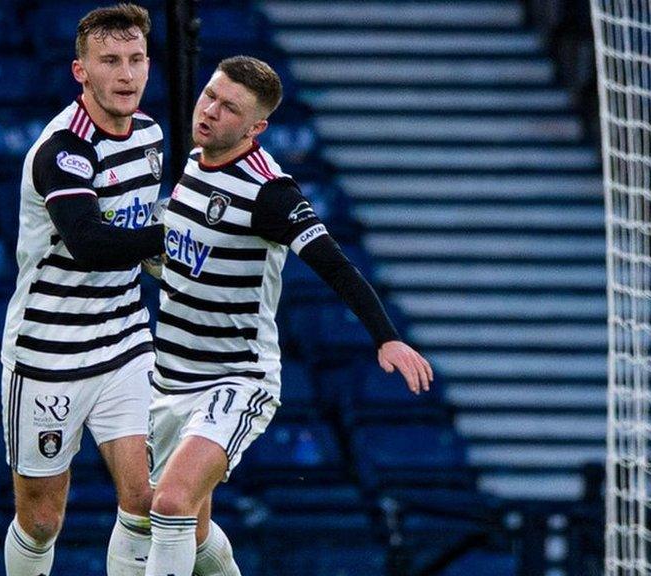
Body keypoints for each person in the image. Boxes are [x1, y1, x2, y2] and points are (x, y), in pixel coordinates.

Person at [144, 56, 434, 576]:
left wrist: (385, 337)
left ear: (257, 127)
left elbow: (336, 265)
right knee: (192, 528)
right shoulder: (192, 161)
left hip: (235, 379)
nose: (208, 110)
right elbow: (182, 265)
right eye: (210, 94)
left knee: (169, 505)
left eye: (228, 108)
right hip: (170, 378)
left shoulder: (270, 192)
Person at [0, 4, 166, 575]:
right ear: (81, 71)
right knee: (42, 520)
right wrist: (172, 237)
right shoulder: (62, 150)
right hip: (49, 352)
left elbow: (141, 236)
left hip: (125, 340)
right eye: (110, 61)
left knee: (147, 501)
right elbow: (91, 242)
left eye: (136, 59)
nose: (126, 74)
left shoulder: (150, 134)